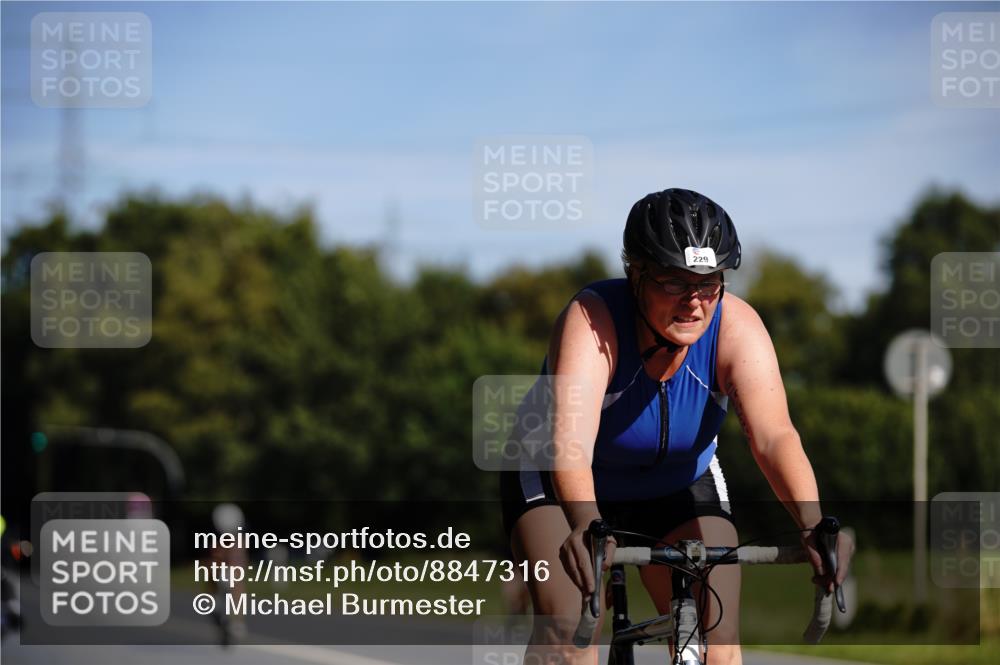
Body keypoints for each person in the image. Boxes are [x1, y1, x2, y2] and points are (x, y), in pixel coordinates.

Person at [500, 188, 854, 665]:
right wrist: (585, 522)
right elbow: (569, 444)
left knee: (718, 638)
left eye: (709, 283)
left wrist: (813, 525)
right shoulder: (591, 322)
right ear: (635, 273)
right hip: (558, 476)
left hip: (679, 479)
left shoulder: (737, 328)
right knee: (568, 629)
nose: (694, 302)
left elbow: (774, 438)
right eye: (673, 282)